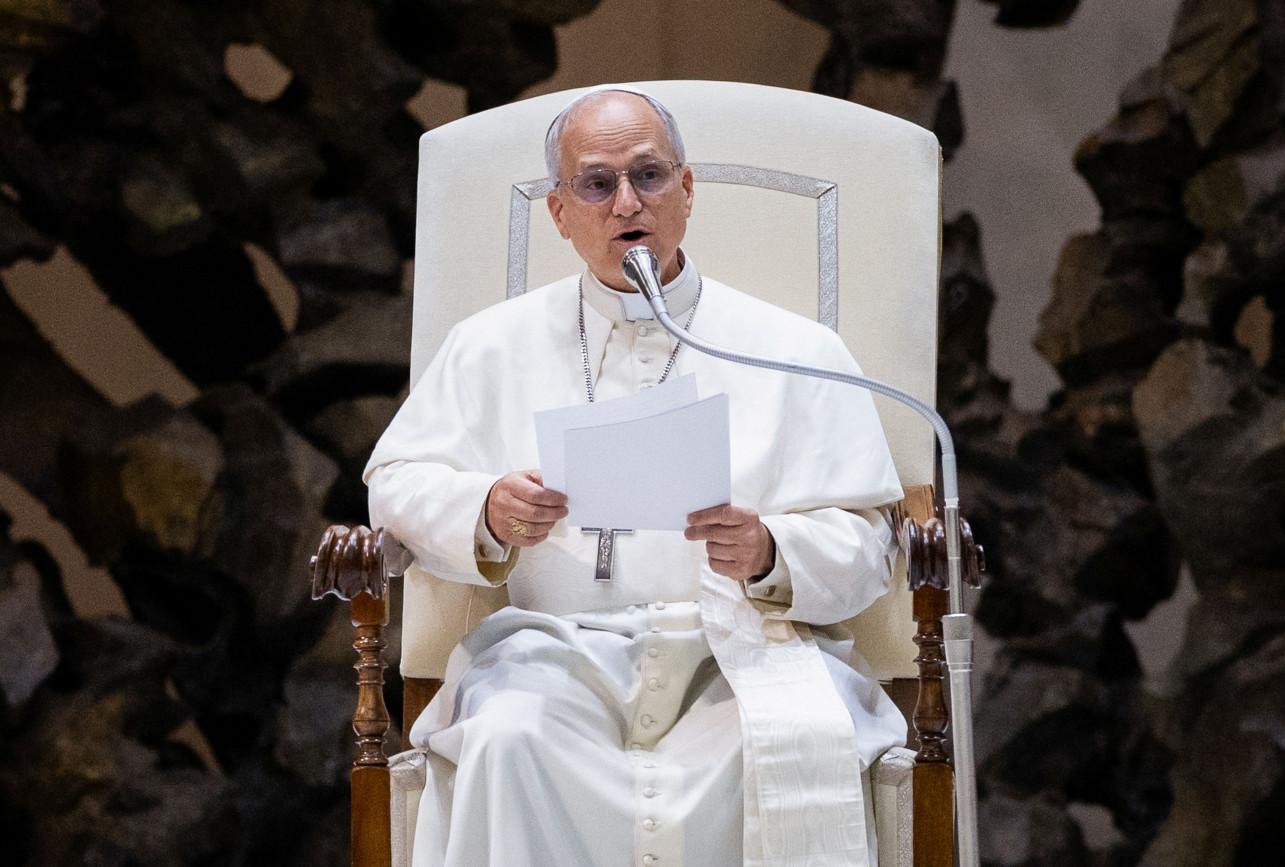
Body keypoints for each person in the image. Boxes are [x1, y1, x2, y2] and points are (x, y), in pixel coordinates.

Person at [365, 86, 907, 867]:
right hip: (552, 655)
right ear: (560, 213)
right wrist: (485, 509)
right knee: (507, 738)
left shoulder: (794, 350)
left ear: (686, 190)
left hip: (737, 654)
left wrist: (769, 550)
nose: (627, 202)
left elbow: (868, 542)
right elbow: (395, 483)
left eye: (648, 175)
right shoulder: (489, 346)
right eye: (597, 183)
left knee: (778, 748)